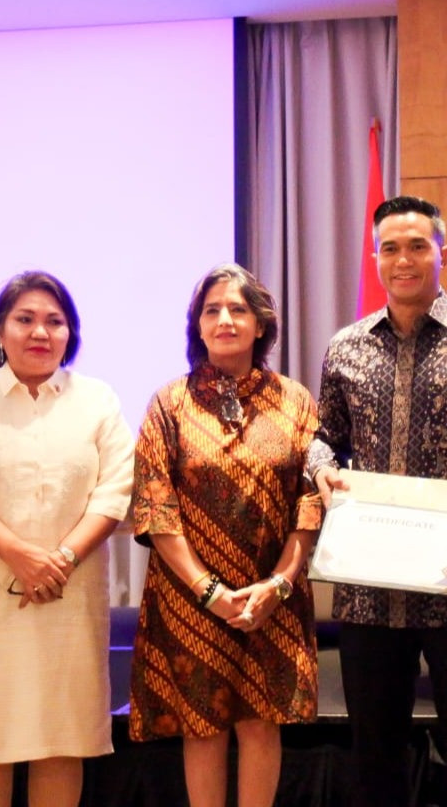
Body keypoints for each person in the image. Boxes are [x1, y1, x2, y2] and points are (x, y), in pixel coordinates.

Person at [308, 195, 447, 807]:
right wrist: (322, 468)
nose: (402, 259)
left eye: (416, 246)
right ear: (375, 257)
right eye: (390, 248)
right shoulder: (346, 347)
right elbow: (324, 436)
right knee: (374, 755)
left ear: (443, 252)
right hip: (368, 588)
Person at [0, 271, 133, 807]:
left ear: (70, 333)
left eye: (54, 322)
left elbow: (115, 491)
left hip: (69, 593)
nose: (40, 332)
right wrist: (19, 555)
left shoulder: (97, 400)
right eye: (25, 319)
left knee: (60, 741)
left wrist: (59, 559)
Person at [128, 263, 323, 807]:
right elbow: (154, 502)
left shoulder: (297, 400)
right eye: (212, 310)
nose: (225, 319)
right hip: (190, 597)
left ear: (261, 324)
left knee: (262, 722)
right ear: (197, 325)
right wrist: (209, 592)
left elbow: (311, 500)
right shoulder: (169, 403)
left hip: (272, 595)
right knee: (203, 725)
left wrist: (279, 585)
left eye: (238, 309)